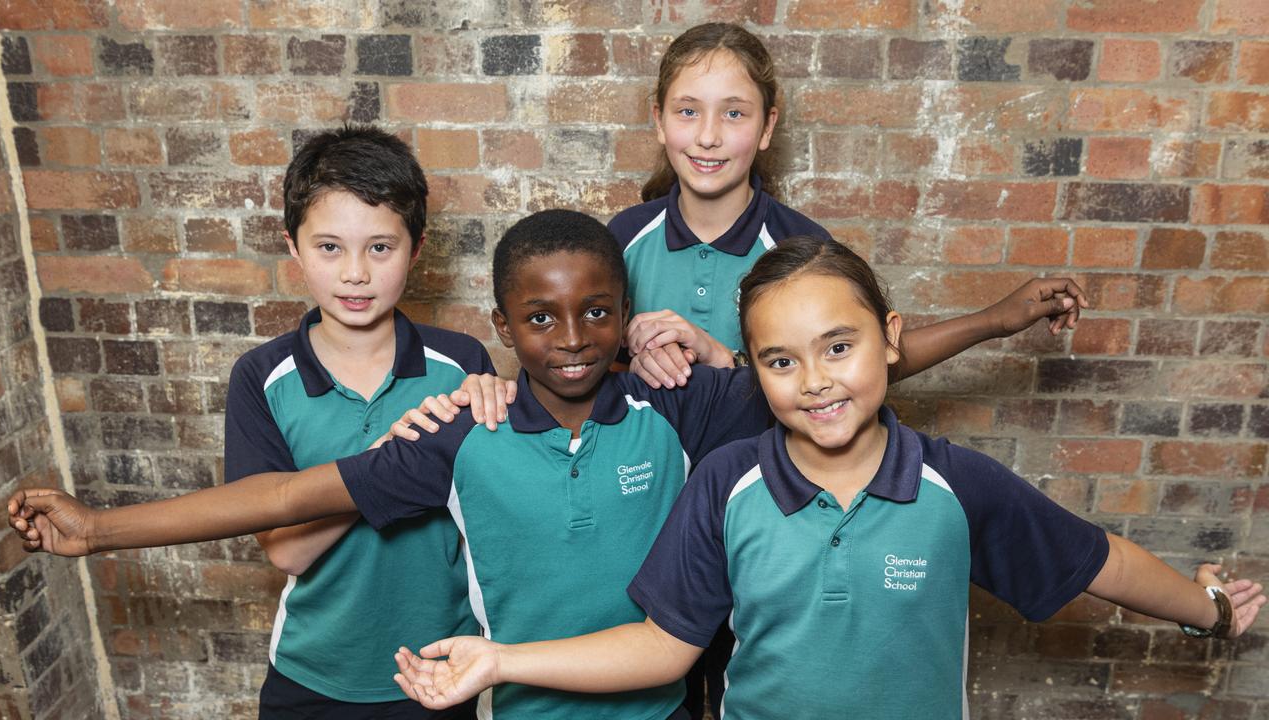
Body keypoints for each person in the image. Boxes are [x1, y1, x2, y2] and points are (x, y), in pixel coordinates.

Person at [391, 236, 1267, 720]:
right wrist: (498, 659)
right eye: (780, 360)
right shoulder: (725, 484)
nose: (814, 380)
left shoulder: (954, 486)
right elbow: (666, 644)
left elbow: (1092, 561)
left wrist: (1212, 609)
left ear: (889, 338)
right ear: (753, 374)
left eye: (838, 348)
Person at [8, 209, 775, 720]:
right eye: (540, 318)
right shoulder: (466, 429)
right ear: (503, 326)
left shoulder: (677, 405)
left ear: (625, 310)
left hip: (666, 705)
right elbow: (279, 498)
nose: (572, 337)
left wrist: (726, 352)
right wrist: (98, 529)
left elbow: (839, 373)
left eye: (597, 311)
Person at [609, 22, 1089, 390]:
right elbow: (573, 368)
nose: (708, 136)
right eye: (687, 111)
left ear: (767, 127)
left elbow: (870, 365)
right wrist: (626, 348)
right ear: (659, 119)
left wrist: (996, 320)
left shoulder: (804, 249)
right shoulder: (621, 240)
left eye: (734, 113)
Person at [216, 125, 488, 718]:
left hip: (437, 668)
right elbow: (287, 552)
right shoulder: (260, 378)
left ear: (416, 249)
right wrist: (383, 466)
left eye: (380, 248)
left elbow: (492, 515)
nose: (356, 273)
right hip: (315, 672)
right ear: (293, 247)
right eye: (330, 247)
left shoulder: (461, 364)